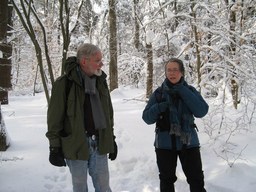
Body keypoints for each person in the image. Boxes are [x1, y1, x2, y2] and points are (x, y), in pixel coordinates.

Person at [46, 43, 117, 192]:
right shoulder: (64, 84)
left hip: (99, 142)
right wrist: (54, 146)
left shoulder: (101, 82)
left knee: (104, 187)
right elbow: (54, 118)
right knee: (79, 188)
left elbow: (108, 114)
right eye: (97, 60)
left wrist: (112, 139)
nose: (101, 64)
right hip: (76, 144)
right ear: (84, 61)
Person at [142, 58, 208, 192]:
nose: (172, 73)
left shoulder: (190, 90)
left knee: (196, 180)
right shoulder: (159, 93)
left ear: (182, 72)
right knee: (166, 181)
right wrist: (159, 107)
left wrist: (182, 91)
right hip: (165, 144)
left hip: (189, 143)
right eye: (169, 70)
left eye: (175, 70)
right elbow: (147, 118)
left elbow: (201, 111)